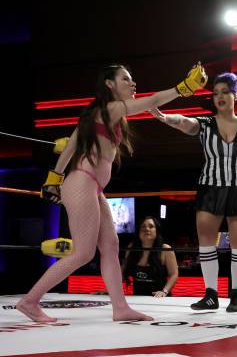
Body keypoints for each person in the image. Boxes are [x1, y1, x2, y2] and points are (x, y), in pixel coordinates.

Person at [17, 62, 207, 322]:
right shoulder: (112, 107)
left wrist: (54, 178)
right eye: (126, 79)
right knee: (83, 253)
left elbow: (72, 143)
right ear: (109, 84)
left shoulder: (103, 113)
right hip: (83, 182)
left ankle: (120, 307)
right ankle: (29, 301)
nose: (132, 84)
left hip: (91, 186)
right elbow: (153, 99)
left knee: (110, 245)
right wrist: (183, 88)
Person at [150, 72, 237, 313]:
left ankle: (236, 296)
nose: (219, 97)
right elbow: (185, 122)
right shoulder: (205, 124)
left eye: (225, 92)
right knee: (206, 242)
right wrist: (164, 117)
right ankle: (210, 294)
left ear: (235, 95)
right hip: (210, 188)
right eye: (215, 93)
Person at [122, 216, 179, 297]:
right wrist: (110, 290)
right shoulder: (131, 248)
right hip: (138, 298)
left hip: (160, 299)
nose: (147, 229)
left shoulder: (165, 249)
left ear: (157, 230)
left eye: (151, 226)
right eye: (143, 226)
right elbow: (122, 271)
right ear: (139, 231)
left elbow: (174, 274)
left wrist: (164, 291)